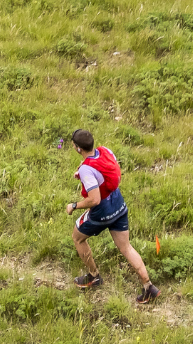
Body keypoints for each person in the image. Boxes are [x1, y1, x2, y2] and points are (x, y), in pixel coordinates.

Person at [65, 128, 158, 303]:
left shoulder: (86, 169)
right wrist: (85, 172)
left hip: (102, 211)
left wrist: (74, 205)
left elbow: (94, 200)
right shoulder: (105, 151)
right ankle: (149, 287)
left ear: (78, 148)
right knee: (126, 248)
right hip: (118, 204)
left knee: (77, 238)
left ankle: (94, 276)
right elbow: (108, 173)